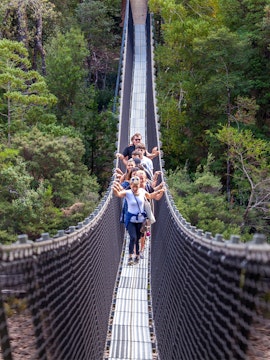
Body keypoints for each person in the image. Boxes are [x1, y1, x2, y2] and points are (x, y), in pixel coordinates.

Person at [113, 176, 165, 265]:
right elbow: (118, 194)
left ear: (139, 185)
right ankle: (130, 256)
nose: (135, 188)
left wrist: (160, 191)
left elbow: (151, 196)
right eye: (133, 186)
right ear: (131, 185)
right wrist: (114, 188)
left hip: (141, 220)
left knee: (137, 238)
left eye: (136, 186)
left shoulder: (142, 191)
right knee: (133, 237)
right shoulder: (128, 192)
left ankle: (137, 255)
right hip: (130, 220)